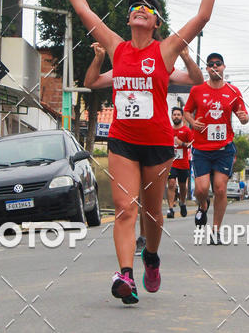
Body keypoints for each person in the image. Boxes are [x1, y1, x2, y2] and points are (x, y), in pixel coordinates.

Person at [56, 0, 221, 304]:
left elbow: (203, 16)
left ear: (157, 22)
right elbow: (83, 10)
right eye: (134, 8)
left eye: (147, 9)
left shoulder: (166, 50)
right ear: (128, 20)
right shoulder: (117, 47)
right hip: (123, 142)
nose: (139, 11)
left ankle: (152, 258)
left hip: (159, 145)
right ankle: (126, 275)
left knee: (152, 212)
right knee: (126, 209)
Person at [84, 43, 202, 236]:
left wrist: (186, 57)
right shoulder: (121, 70)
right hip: (126, 143)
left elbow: (196, 79)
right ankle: (140, 238)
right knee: (131, 198)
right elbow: (91, 82)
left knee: (149, 202)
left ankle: (148, 240)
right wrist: (98, 58)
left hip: (154, 142)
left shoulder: (160, 68)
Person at [183, 53, 249, 244]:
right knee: (202, 189)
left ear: (223, 67)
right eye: (210, 65)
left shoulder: (233, 91)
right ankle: (203, 206)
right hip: (202, 148)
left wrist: (244, 119)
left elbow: (242, 115)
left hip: (224, 148)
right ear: (207, 69)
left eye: (217, 64)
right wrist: (192, 122)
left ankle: (216, 230)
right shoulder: (197, 90)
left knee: (220, 189)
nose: (214, 67)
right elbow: (187, 110)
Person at [167, 106, 194, 218]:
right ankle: (171, 208)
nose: (176, 116)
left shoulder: (186, 130)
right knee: (172, 183)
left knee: (183, 186)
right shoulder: (168, 130)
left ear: (182, 117)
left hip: (183, 163)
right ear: (171, 116)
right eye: (174, 114)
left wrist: (181, 143)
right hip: (171, 162)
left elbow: (190, 144)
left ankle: (182, 203)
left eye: (178, 114)